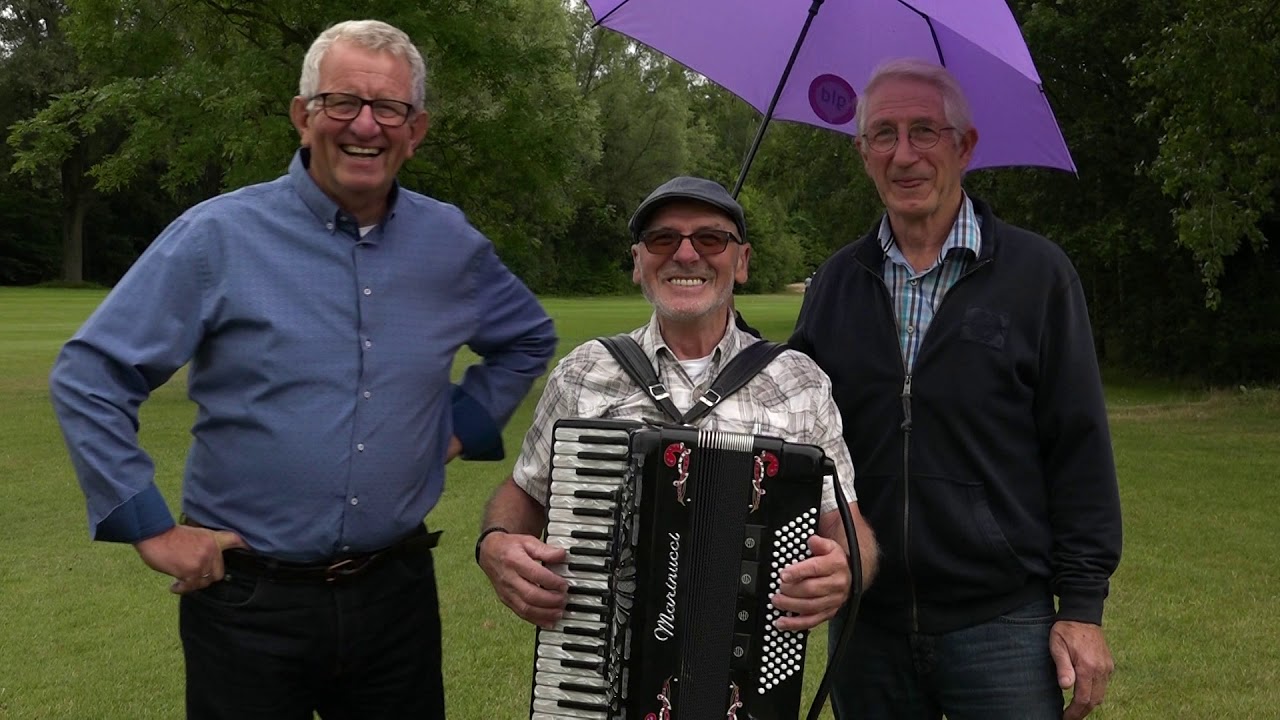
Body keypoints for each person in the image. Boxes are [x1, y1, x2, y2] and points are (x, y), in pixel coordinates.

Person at [49, 19, 556, 719]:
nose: (366, 126)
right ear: (302, 115)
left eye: (390, 109)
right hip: (249, 607)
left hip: (396, 597)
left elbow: (527, 338)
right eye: (342, 102)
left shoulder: (450, 244)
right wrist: (152, 528)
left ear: (417, 131)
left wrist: (460, 424)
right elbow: (92, 374)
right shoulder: (217, 237)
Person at [790, 58, 1123, 720]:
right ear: (862, 153)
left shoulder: (1037, 275)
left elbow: (1079, 445)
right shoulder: (837, 283)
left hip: (1001, 623)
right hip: (868, 623)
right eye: (883, 135)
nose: (904, 154)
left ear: (965, 147)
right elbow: (791, 428)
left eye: (925, 132)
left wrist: (1082, 607)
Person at [477, 175, 878, 637]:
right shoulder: (583, 371)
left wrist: (846, 568)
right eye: (662, 239)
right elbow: (526, 490)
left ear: (742, 261)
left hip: (737, 679)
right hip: (592, 668)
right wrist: (496, 543)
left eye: (710, 238)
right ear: (637, 262)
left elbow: (845, 522)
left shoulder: (798, 381)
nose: (686, 254)